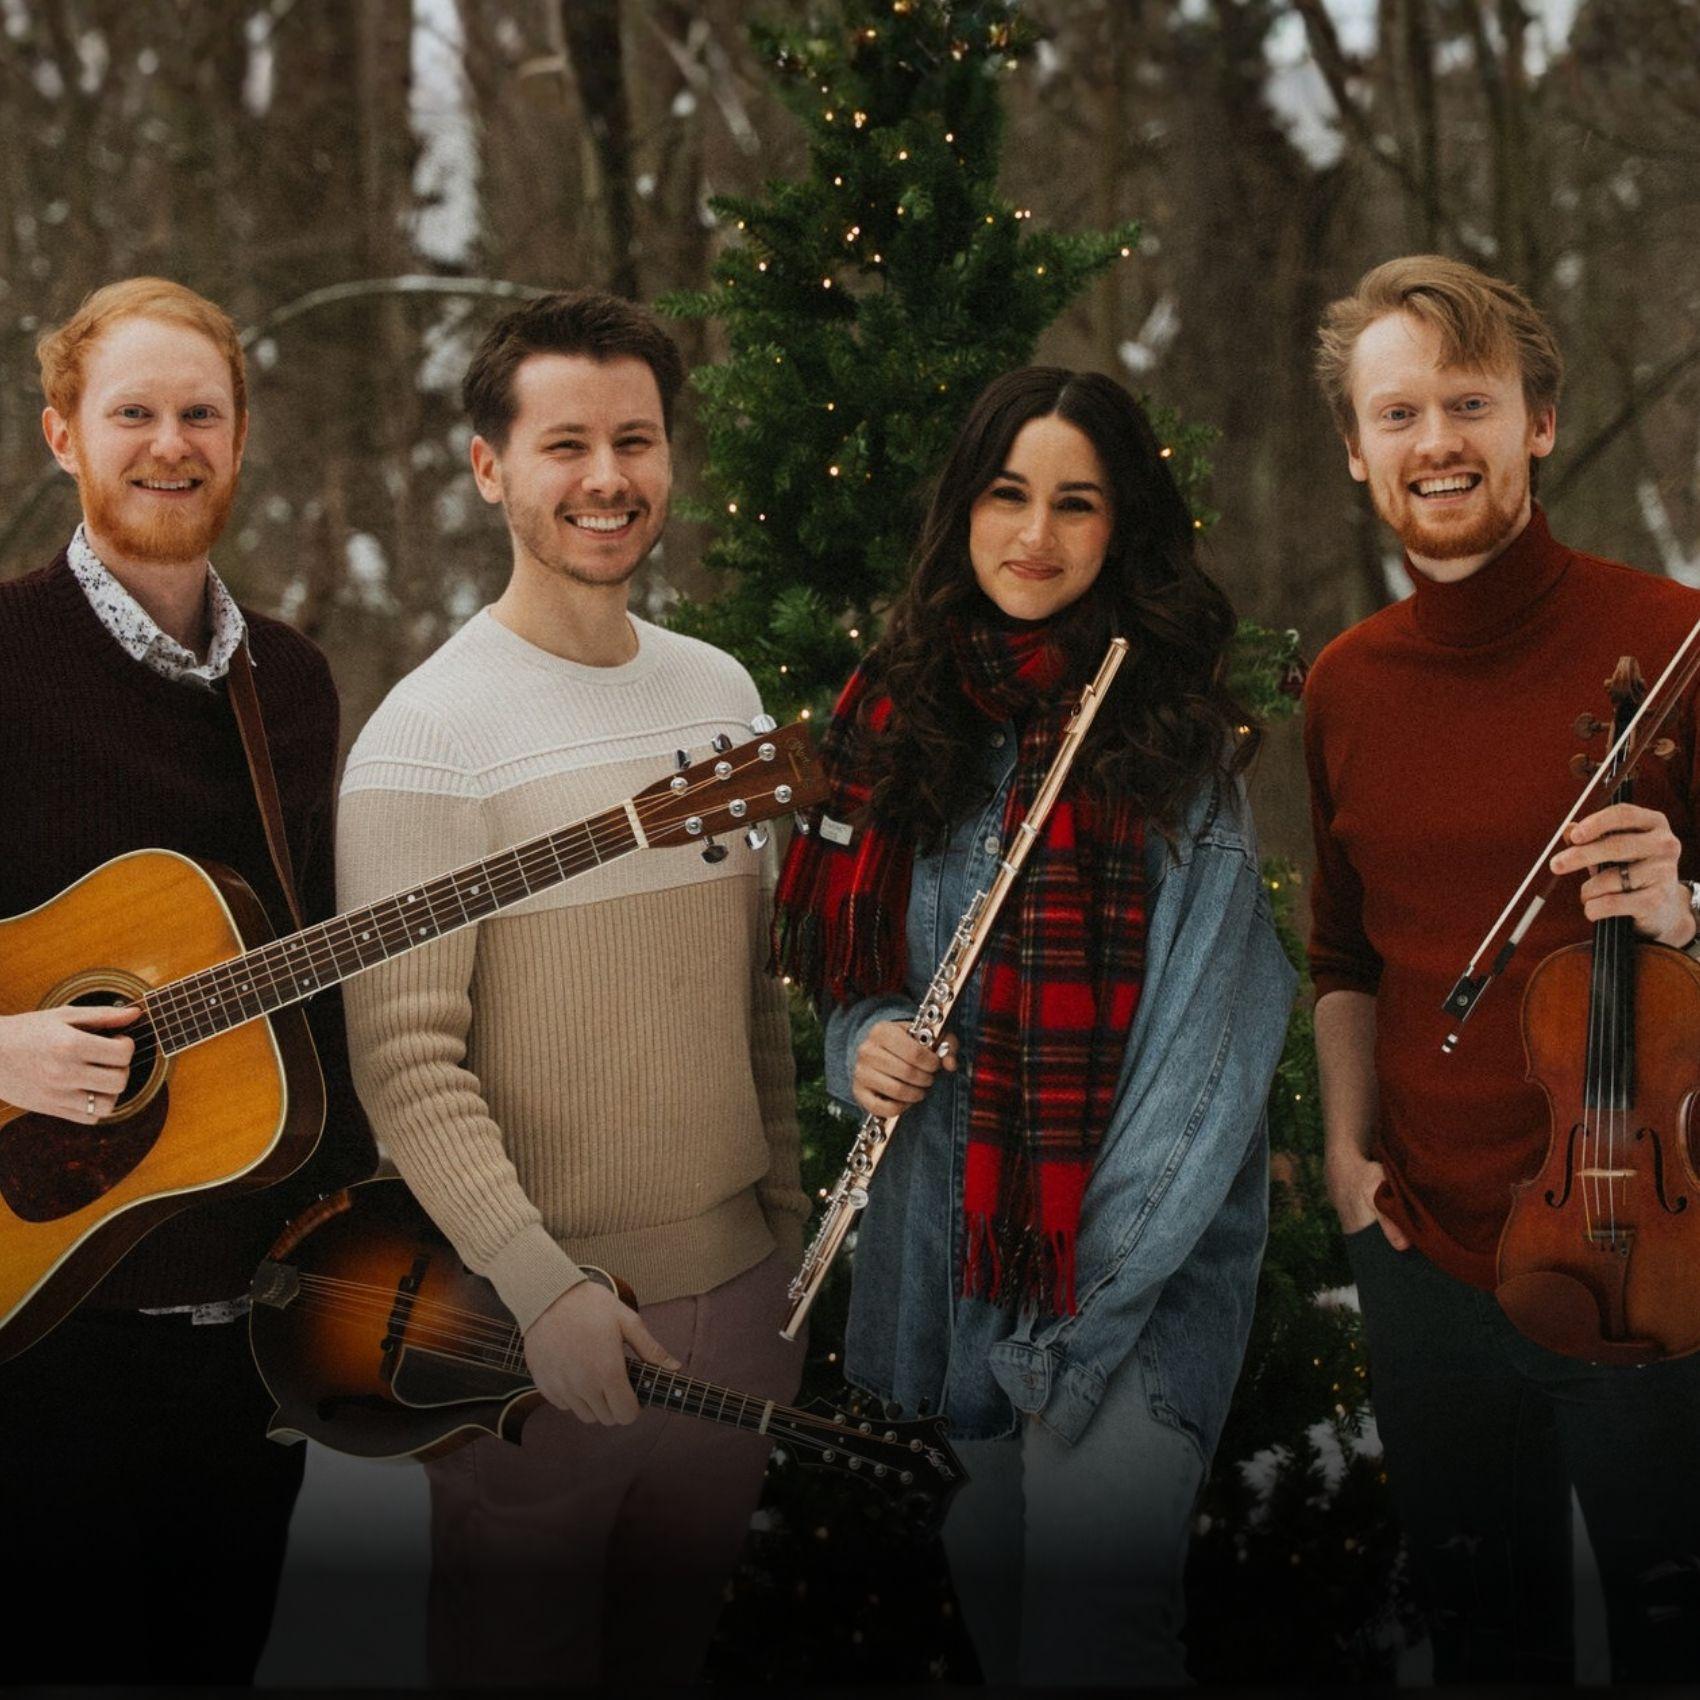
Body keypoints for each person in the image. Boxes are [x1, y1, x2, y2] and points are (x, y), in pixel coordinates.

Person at [772, 366, 1295, 1687]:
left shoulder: (1175, 746)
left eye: (1078, 504)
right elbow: (860, 981)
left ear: (1127, 530)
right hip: (943, 1277)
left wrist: (1078, 1328)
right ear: (964, 508)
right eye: (1008, 495)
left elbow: (1204, 1084)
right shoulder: (892, 717)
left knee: (1093, 1639)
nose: (1035, 536)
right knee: (1011, 1642)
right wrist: (866, 1046)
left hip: (1121, 1293)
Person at [337, 288, 808, 1687]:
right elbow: (407, 1064)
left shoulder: (721, 693)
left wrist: (780, 1251)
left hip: (737, 1321)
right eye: (565, 445)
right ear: (490, 468)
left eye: (637, 440)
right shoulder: (427, 736)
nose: (608, 479)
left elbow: (757, 1005)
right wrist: (541, 1292)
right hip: (530, 1337)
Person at [1305, 254, 1700, 1682]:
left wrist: (1684, 908)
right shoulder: (1345, 683)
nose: (1436, 443)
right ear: (1356, 451)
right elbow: (1346, 951)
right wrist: (1347, 1159)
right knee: (1488, 1647)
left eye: (1469, 403)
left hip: (1648, 1254)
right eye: (1397, 414)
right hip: (1422, 1258)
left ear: (1538, 419)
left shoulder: (1669, 641)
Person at [0, 277, 375, 1683]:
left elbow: (313, 965)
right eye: (133, 413)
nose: (171, 444)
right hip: (38, 1333)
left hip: (243, 1339)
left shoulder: (290, 682)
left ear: (241, 435)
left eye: (200, 413)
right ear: (62, 437)